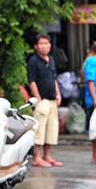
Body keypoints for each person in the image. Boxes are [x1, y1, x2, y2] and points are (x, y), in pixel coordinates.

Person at [26, 34, 62, 167]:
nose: (44, 46)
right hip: (42, 101)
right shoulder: (33, 61)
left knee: (51, 130)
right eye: (41, 43)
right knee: (39, 130)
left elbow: (54, 79)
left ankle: (47, 156)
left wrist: (58, 94)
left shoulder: (51, 60)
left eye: (47, 43)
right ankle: (37, 157)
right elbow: (32, 81)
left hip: (52, 100)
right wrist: (38, 99)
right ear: (36, 46)